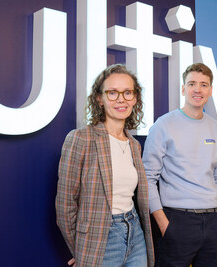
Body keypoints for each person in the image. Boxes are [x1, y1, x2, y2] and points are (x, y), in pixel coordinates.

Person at [56, 64, 154, 267]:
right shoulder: (81, 138)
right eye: (112, 93)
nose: (121, 99)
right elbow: (65, 206)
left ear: (135, 98)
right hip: (102, 237)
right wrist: (82, 250)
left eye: (128, 92)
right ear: (99, 99)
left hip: (135, 232)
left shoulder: (134, 145)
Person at [142, 63, 217, 267]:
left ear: (210, 90)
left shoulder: (216, 129)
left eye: (203, 85)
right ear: (183, 89)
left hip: (215, 222)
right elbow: (147, 177)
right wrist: (164, 224)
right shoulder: (163, 125)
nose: (197, 89)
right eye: (192, 84)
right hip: (177, 221)